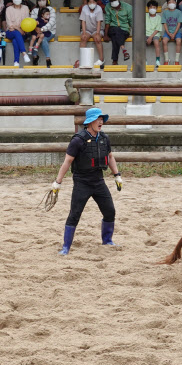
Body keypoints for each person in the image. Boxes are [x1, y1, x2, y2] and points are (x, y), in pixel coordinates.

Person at [51, 107, 122, 256]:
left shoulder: (104, 139)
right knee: (74, 214)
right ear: (90, 122)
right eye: (98, 118)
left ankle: (107, 241)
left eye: (102, 119)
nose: (101, 121)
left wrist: (117, 175)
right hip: (82, 182)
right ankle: (66, 247)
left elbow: (109, 157)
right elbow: (67, 161)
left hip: (98, 181)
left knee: (110, 211)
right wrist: (58, 182)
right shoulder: (78, 140)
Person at [103, 0, 132, 65]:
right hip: (112, 28)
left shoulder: (128, 7)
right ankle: (123, 49)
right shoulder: (108, 7)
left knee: (115, 37)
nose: (112, 2)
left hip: (124, 29)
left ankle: (115, 61)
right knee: (115, 30)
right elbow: (107, 21)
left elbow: (131, 21)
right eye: (111, 0)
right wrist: (105, 35)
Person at [29, 0, 57, 66]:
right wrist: (36, 29)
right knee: (33, 38)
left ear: (46, 0)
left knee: (43, 39)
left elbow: (51, 22)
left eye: (43, 0)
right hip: (36, 30)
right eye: (39, 0)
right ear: (37, 1)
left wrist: (41, 29)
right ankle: (35, 57)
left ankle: (48, 59)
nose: (41, 1)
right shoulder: (34, 10)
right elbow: (32, 21)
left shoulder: (51, 10)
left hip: (49, 31)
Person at [4, 0, 30, 67]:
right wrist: (18, 29)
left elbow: (27, 21)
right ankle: (24, 53)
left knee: (15, 40)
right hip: (10, 32)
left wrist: (20, 29)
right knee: (16, 33)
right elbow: (9, 24)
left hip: (23, 32)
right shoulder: (9, 9)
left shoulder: (25, 8)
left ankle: (16, 62)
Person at [79, 0, 105, 68]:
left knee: (97, 39)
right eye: (90, 2)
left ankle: (101, 59)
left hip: (96, 29)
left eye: (93, 2)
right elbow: (83, 21)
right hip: (87, 29)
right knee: (83, 38)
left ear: (96, 2)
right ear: (87, 3)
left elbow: (99, 22)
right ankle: (82, 59)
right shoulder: (84, 8)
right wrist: (84, 32)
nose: (92, 3)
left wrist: (97, 33)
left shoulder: (99, 9)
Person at [161, 0, 182, 66]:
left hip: (177, 32)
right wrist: (169, 33)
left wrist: (174, 33)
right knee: (164, 41)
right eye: (169, 2)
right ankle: (166, 60)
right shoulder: (165, 12)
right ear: (167, 4)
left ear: (175, 3)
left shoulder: (179, 12)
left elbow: (179, 24)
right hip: (168, 32)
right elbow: (164, 24)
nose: (171, 3)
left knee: (179, 41)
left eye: (173, 2)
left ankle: (176, 60)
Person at [145, 0, 162, 66]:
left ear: (157, 8)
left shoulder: (159, 17)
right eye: (150, 7)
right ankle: (144, 60)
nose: (152, 9)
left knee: (156, 42)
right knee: (140, 43)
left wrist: (150, 37)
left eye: (154, 7)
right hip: (146, 34)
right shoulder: (144, 16)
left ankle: (157, 61)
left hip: (155, 34)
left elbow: (157, 29)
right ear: (148, 8)